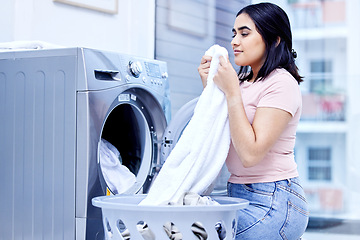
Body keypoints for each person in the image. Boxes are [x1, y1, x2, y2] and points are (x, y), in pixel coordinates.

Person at [198, 2, 309, 239]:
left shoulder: (281, 83)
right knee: (179, 225)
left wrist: (230, 92)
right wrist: (210, 88)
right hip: (237, 193)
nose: (234, 41)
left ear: (275, 39)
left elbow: (250, 155)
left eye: (244, 33)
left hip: (274, 202)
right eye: (234, 33)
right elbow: (219, 129)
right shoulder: (242, 83)